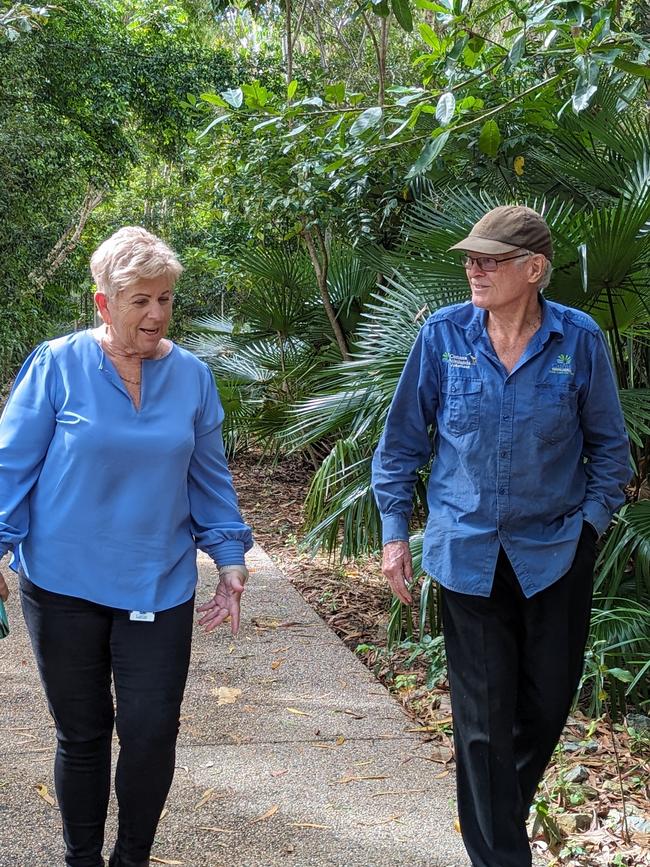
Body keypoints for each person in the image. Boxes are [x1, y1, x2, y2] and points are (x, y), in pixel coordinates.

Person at [371, 205, 631, 867]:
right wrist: (395, 533)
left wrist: (588, 533)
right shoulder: (443, 335)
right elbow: (400, 445)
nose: (473, 268)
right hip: (467, 553)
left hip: (555, 554)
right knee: (483, 728)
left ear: (534, 269)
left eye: (490, 258)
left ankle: (491, 821)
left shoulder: (578, 340)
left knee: (545, 709)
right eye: (471, 257)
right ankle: (502, 855)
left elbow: (611, 451)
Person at [0, 226, 253, 867]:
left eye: (165, 298)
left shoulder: (191, 376)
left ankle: (131, 858)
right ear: (104, 303)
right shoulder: (57, 364)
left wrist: (229, 561)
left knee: (149, 734)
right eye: (140, 300)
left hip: (158, 581)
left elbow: (209, 475)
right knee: (83, 735)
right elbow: (11, 466)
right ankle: (80, 858)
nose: (157, 314)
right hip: (62, 585)